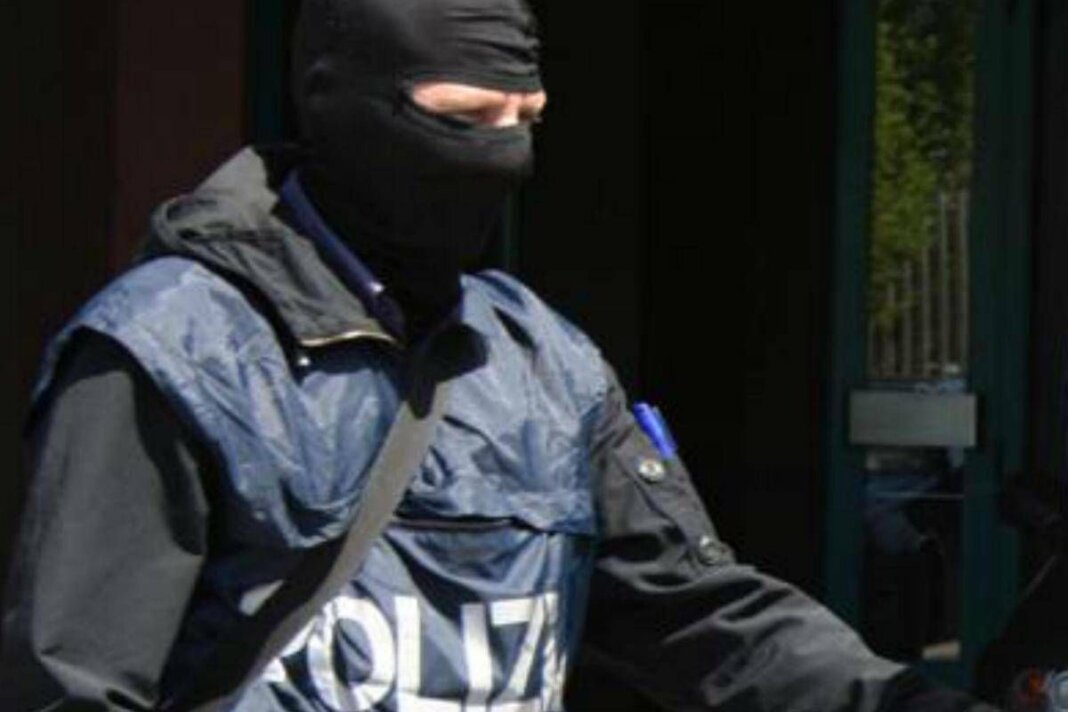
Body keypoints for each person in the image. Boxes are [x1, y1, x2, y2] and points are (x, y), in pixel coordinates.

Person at [0, 0, 999, 710]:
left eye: (526, 124)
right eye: (462, 121)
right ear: (333, 101)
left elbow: (699, 617)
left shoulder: (542, 362)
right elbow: (74, 684)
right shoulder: (169, 352)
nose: (503, 158)